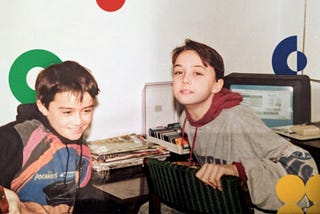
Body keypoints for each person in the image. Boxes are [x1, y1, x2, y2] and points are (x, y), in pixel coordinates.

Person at [171, 39, 318, 212]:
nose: (185, 79)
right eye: (178, 72)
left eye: (197, 73)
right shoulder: (185, 118)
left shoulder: (236, 117)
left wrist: (236, 169)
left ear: (217, 85)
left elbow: (304, 166)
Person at [0, 60, 100, 213]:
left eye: (86, 110)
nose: (79, 121)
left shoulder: (81, 148)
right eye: (67, 112)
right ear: (42, 106)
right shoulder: (15, 138)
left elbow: (85, 201)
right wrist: (6, 196)